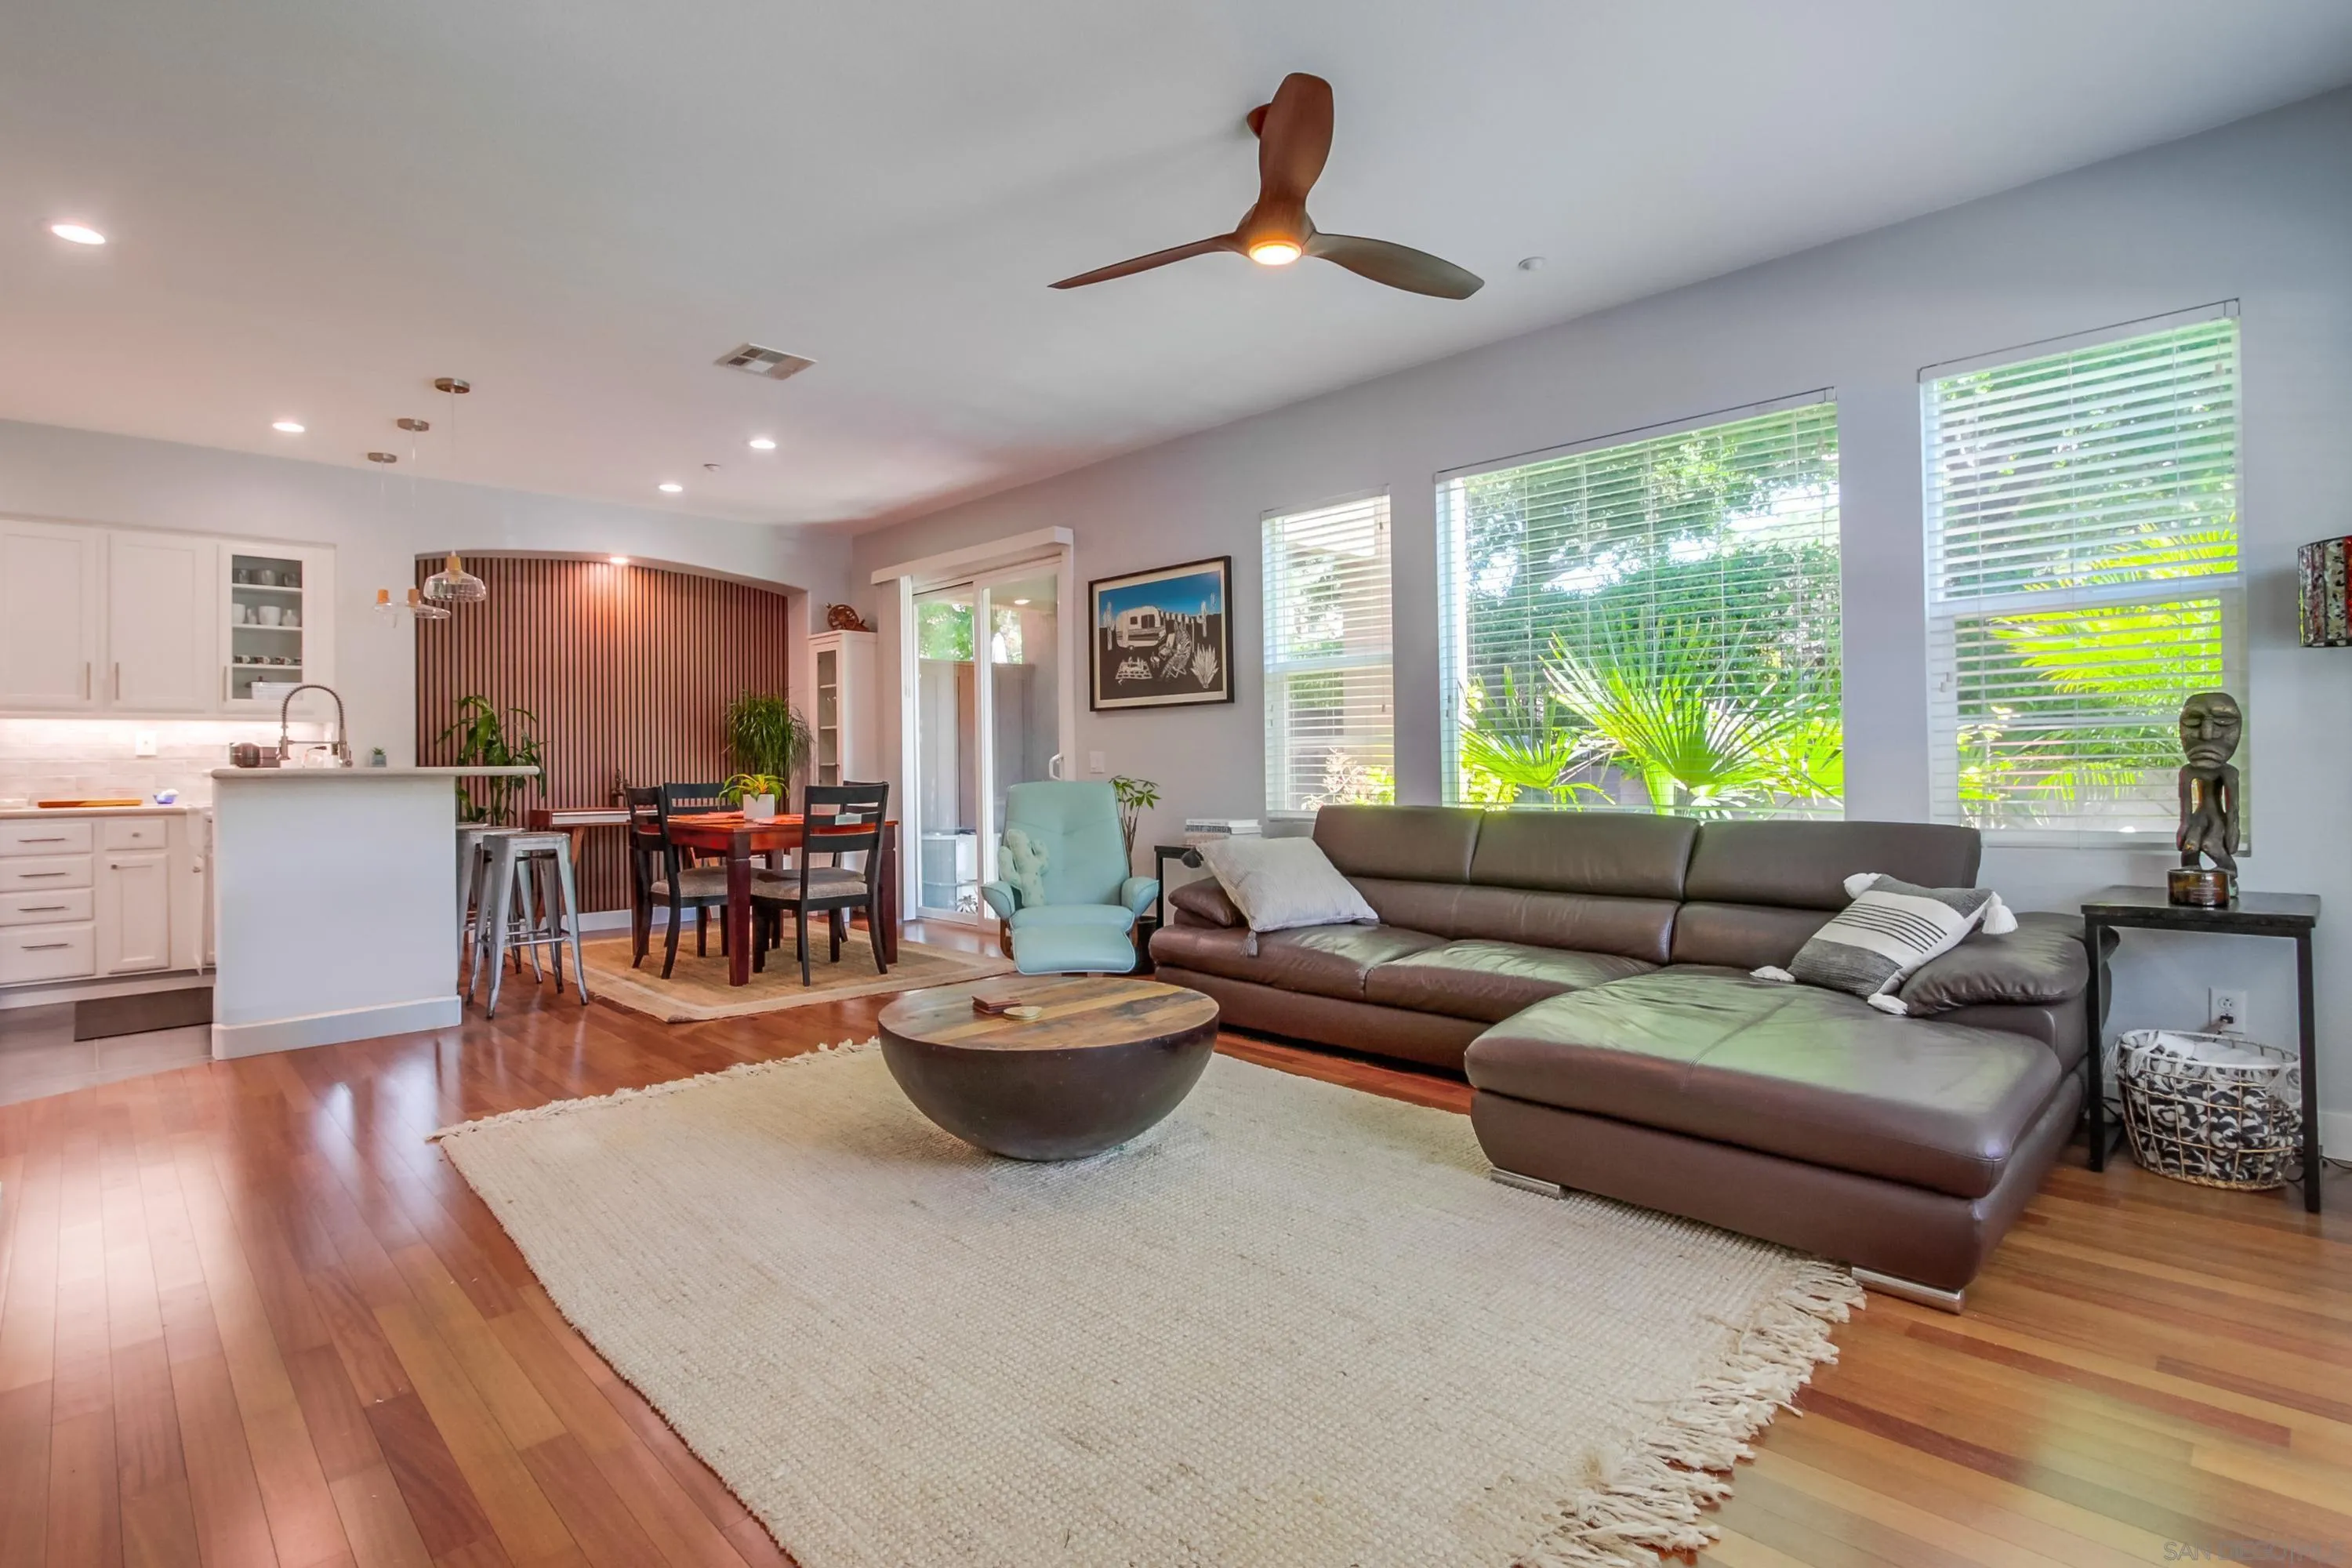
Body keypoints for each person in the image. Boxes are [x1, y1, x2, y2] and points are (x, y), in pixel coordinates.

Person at [2176, 690, 2242, 873]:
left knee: (2210, 844)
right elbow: (2186, 811)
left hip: (2216, 820)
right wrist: (2183, 830)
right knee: (2190, 846)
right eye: (2192, 721)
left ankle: (2229, 872)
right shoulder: (2188, 772)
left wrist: (2232, 834)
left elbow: (2233, 811)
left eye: (2224, 721)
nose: (2207, 734)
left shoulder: (2229, 773)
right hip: (2199, 818)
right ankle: (2190, 878)